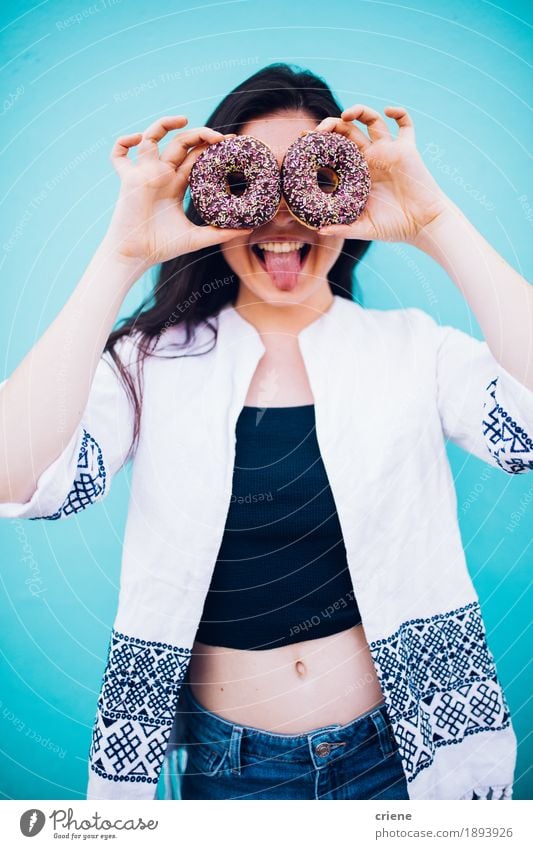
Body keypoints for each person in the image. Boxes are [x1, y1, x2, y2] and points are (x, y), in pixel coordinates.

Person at [0, 64, 531, 802]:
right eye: (254, 183)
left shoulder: (414, 348)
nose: (282, 217)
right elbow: (15, 476)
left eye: (311, 178)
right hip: (230, 766)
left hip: (408, 754)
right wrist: (120, 254)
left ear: (350, 192)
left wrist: (434, 221)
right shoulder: (151, 363)